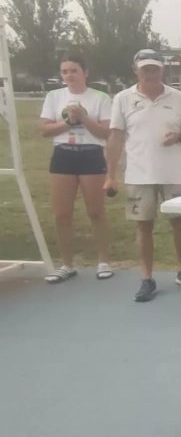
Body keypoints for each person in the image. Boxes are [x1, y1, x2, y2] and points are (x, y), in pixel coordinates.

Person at [104, 49, 181, 303]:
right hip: (139, 174)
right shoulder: (123, 99)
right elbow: (115, 138)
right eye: (145, 69)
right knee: (143, 225)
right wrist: (110, 175)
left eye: (154, 69)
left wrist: (179, 136)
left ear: (162, 70)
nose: (150, 74)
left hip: (174, 172)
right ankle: (147, 278)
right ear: (135, 71)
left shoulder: (177, 97)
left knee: (179, 222)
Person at [38, 55, 114, 283]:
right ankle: (67, 265)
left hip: (91, 154)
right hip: (63, 155)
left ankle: (103, 261)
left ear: (85, 72)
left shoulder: (100, 98)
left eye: (74, 70)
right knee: (62, 214)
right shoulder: (54, 96)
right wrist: (69, 122)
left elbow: (105, 133)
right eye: (65, 71)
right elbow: (45, 130)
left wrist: (83, 118)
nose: (69, 75)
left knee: (95, 212)